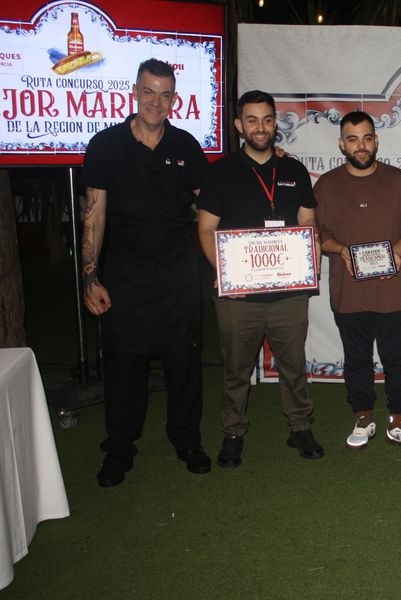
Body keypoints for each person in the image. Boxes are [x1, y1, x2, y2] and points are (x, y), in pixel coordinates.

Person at [82, 58, 211, 487]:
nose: (157, 101)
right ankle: (119, 449)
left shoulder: (186, 146)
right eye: (149, 92)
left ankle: (187, 441)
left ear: (174, 99)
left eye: (165, 94)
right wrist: (89, 278)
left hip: (178, 274)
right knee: (123, 367)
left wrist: (267, 162)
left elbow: (214, 203)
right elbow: (94, 215)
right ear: (135, 93)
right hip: (125, 274)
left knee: (184, 363)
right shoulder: (106, 145)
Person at [197, 90, 323, 467]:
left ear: (275, 122)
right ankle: (233, 432)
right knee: (236, 370)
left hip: (288, 293)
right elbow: (205, 229)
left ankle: (300, 427)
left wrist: (312, 255)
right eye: (252, 120)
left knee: (293, 365)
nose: (261, 127)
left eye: (267, 119)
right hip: (239, 297)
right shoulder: (220, 172)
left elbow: (308, 221)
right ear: (239, 125)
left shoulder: (293, 171)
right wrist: (227, 274)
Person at [314, 111, 401, 452]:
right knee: (357, 360)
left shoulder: (398, 180)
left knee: (399, 361)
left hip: (396, 292)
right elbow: (318, 234)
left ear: (376, 141)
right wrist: (341, 251)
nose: (361, 146)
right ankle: (363, 417)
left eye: (367, 138)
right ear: (342, 144)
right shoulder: (326, 186)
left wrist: (397, 252)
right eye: (353, 139)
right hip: (350, 293)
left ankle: (400, 421)